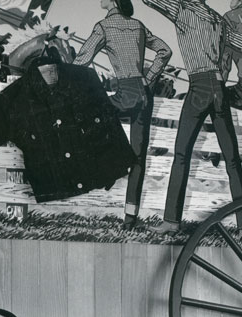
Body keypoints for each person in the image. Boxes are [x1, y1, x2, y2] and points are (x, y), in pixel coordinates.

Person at [142, 0, 242, 233]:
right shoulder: (218, 19)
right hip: (220, 89)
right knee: (232, 160)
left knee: (182, 154)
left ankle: (171, 221)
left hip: (199, 86)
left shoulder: (181, 9)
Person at [73, 0, 172, 227]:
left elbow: (81, 61)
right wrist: (149, 77)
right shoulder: (138, 25)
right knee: (139, 156)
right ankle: (130, 218)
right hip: (144, 93)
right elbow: (165, 50)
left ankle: (107, 168)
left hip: (125, 92)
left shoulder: (104, 27)